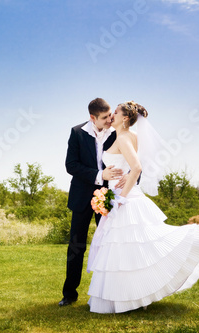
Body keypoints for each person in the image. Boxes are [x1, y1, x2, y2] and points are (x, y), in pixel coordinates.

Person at [86, 101, 199, 313]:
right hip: (124, 194)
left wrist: (121, 199)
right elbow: (131, 166)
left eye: (115, 113)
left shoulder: (124, 138)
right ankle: (132, 296)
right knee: (132, 251)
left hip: (125, 198)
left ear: (125, 118)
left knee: (123, 251)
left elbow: (137, 167)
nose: (111, 116)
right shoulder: (132, 136)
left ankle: (125, 298)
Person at [59, 98, 126, 307]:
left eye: (110, 116)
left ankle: (106, 293)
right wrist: (99, 174)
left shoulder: (115, 133)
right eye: (105, 117)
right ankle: (69, 294)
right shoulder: (77, 132)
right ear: (92, 117)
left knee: (108, 245)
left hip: (107, 196)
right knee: (76, 246)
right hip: (81, 196)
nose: (110, 119)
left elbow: (131, 160)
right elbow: (71, 165)